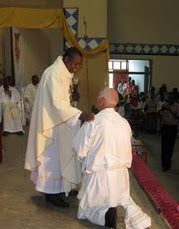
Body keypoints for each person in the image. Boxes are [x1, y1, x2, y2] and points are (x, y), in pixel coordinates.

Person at [24, 47, 94, 208]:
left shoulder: (63, 73)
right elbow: (56, 104)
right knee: (52, 159)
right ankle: (50, 193)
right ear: (67, 60)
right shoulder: (54, 73)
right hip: (50, 124)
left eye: (79, 65)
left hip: (59, 122)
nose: (76, 68)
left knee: (62, 156)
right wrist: (80, 115)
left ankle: (62, 188)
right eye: (75, 64)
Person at [73, 88, 151, 229]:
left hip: (99, 175)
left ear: (102, 101)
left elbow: (80, 149)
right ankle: (133, 216)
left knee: (88, 209)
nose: (97, 100)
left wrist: (84, 162)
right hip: (121, 175)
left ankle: (105, 215)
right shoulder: (124, 123)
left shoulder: (93, 121)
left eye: (98, 97)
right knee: (123, 199)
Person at [159, 92, 179, 171]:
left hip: (172, 128)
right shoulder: (165, 104)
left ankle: (168, 163)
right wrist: (162, 109)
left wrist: (171, 110)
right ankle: (164, 164)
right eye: (169, 98)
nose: (169, 99)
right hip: (165, 127)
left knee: (170, 146)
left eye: (171, 98)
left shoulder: (178, 106)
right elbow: (159, 114)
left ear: (174, 99)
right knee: (163, 146)